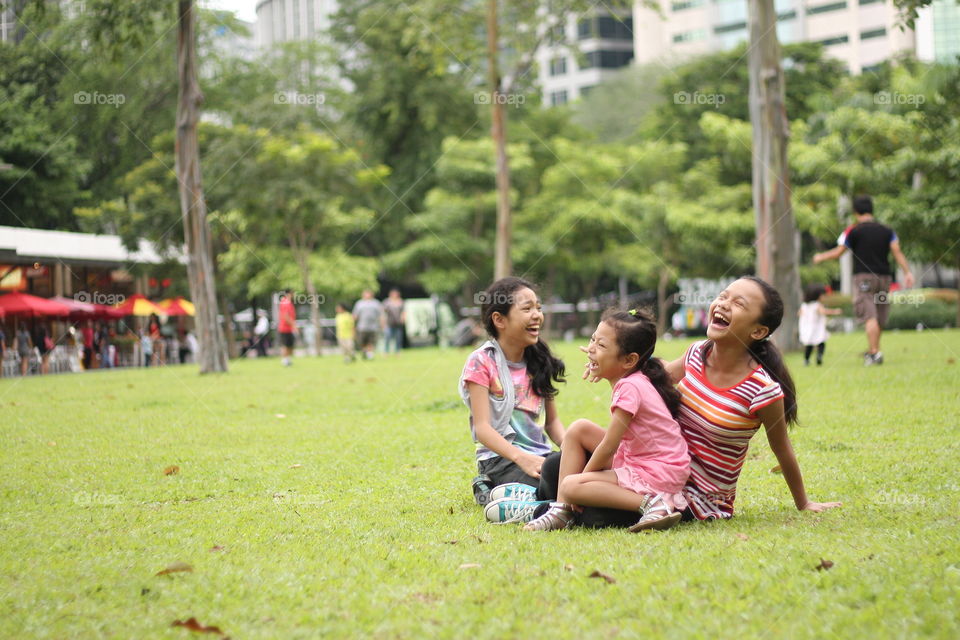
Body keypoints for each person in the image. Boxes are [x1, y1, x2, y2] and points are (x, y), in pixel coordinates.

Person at [543, 276, 841, 527]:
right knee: (556, 466)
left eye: (739, 304)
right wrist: (605, 361)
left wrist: (804, 503)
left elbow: (782, 449)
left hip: (697, 498)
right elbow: (652, 377)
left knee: (593, 510)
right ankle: (555, 508)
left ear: (758, 331)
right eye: (723, 296)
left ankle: (543, 509)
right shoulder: (698, 353)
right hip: (654, 468)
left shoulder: (762, 390)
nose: (723, 304)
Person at [523, 308, 690, 532]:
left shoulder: (629, 387)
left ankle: (654, 505)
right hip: (653, 463)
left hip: (657, 472)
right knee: (579, 429)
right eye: (593, 339)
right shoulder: (637, 377)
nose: (591, 349)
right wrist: (600, 362)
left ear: (629, 360)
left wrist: (584, 479)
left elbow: (609, 446)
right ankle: (561, 511)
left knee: (571, 486)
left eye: (601, 345)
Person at [458, 277, 566, 524]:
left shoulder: (540, 360)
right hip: (501, 461)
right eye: (527, 309)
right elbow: (483, 429)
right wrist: (521, 458)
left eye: (538, 307)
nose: (537, 315)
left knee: (581, 475)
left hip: (543, 458)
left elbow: (552, 424)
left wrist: (575, 452)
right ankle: (516, 499)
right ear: (499, 320)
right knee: (563, 487)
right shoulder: (481, 361)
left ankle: (526, 498)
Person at [813, 195, 914, 365]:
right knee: (879, 315)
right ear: (871, 210)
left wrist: (820, 257)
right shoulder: (887, 230)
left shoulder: (853, 231)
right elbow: (897, 251)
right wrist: (907, 272)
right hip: (884, 278)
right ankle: (875, 350)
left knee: (869, 316)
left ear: (855, 212)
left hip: (864, 278)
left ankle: (873, 353)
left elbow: (839, 252)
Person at [798, 284, 841, 366]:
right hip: (816, 328)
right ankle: (819, 356)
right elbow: (823, 312)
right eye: (823, 295)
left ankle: (806, 360)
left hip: (807, 328)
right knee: (821, 343)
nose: (824, 297)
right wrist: (835, 311)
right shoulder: (817, 305)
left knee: (809, 345)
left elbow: (799, 313)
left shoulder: (804, 305)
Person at [352, 290, 383, 360]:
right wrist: (353, 324)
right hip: (362, 327)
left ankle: (369, 354)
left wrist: (382, 324)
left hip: (373, 327)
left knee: (371, 342)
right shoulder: (359, 303)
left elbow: (381, 315)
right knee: (362, 342)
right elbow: (355, 315)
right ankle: (365, 352)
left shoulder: (376, 303)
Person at [383, 289, 406, 355]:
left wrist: (403, 319)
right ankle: (386, 351)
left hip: (398, 323)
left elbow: (403, 311)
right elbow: (383, 311)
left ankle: (397, 351)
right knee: (387, 338)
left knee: (398, 339)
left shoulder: (400, 302)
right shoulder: (387, 302)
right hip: (389, 323)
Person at [278, 290, 297, 367]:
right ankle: (284, 361)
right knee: (285, 345)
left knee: (290, 345)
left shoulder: (288, 302)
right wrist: (294, 325)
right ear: (289, 294)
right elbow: (286, 316)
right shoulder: (285, 302)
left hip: (289, 328)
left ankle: (288, 360)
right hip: (284, 328)